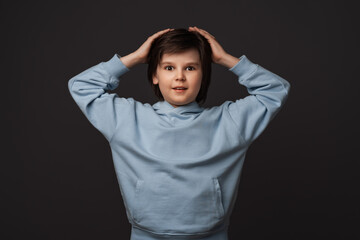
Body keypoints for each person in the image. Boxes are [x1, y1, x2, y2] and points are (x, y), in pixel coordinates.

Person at [68, 26, 290, 240]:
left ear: (204, 75)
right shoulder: (126, 118)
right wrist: (136, 57)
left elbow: (275, 89)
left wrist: (224, 59)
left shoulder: (229, 121)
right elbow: (81, 85)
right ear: (154, 75)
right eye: (169, 67)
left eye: (191, 68)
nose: (180, 77)